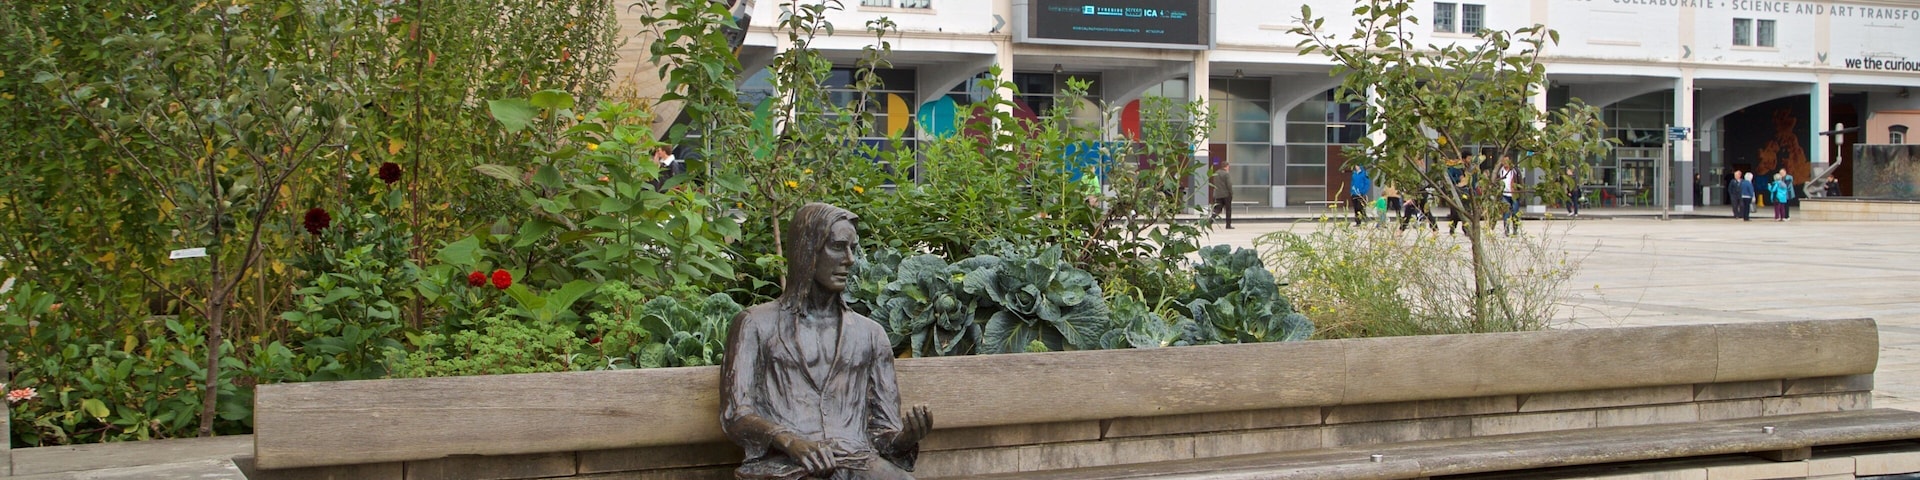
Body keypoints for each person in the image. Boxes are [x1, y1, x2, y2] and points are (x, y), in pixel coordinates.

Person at [721, 203, 932, 480]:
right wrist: (789, 441)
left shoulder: (870, 334)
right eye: (837, 247)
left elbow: (883, 432)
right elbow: (736, 413)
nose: (849, 259)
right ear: (807, 250)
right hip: (786, 467)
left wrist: (906, 437)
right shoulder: (755, 324)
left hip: (856, 462)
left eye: (852, 248)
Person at [1497, 160, 1520, 235]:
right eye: (1503, 161)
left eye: (1506, 161)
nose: (1505, 163)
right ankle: (1506, 230)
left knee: (1515, 213)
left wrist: (1519, 192)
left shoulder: (1515, 171)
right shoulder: (1500, 171)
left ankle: (1515, 229)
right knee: (1506, 213)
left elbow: (1520, 182)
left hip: (1514, 194)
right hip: (1504, 194)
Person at [1210, 163, 1233, 229]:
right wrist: (1231, 193)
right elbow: (1229, 184)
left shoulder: (1216, 173)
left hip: (1218, 194)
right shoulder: (1226, 174)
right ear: (1226, 166)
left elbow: (1214, 183)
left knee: (1217, 209)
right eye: (1228, 166)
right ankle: (1228, 225)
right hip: (1226, 194)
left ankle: (1210, 221)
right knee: (1228, 210)